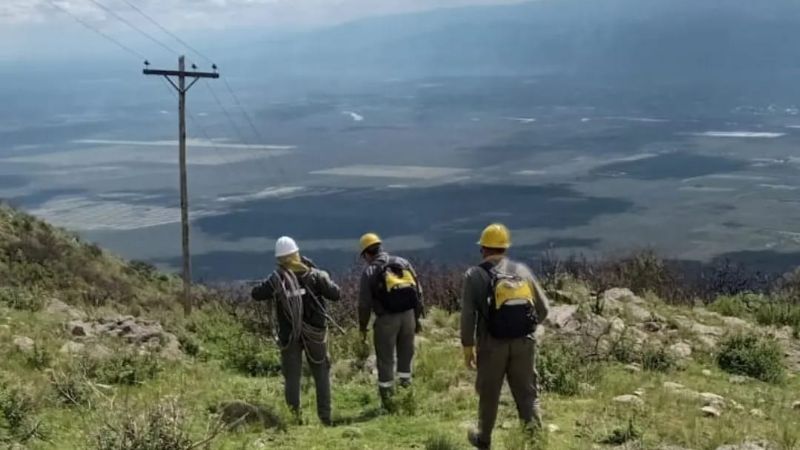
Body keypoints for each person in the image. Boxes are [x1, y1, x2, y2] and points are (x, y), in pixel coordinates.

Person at [460, 223, 551, 449]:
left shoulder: (474, 275)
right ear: (505, 248)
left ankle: (484, 440)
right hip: (524, 343)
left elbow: (467, 316)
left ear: (483, 249)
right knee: (527, 394)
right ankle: (535, 441)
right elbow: (544, 309)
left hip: (491, 344)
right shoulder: (522, 271)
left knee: (489, 394)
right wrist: (525, 328)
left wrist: (468, 348)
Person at [251, 236, 341, 426]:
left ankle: (294, 418)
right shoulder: (314, 275)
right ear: (297, 254)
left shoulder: (277, 280)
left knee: (292, 376)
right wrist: (320, 272)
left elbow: (256, 294)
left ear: (279, 259)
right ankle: (325, 417)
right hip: (315, 334)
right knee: (321, 373)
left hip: (289, 336)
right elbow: (336, 294)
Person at [358, 232, 424, 409]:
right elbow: (418, 291)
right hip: (408, 316)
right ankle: (407, 394)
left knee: (386, 360)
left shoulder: (370, 271)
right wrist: (417, 319)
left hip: (386, 320)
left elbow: (364, 304)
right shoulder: (402, 263)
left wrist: (362, 327)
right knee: (406, 357)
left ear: (366, 254)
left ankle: (389, 402)